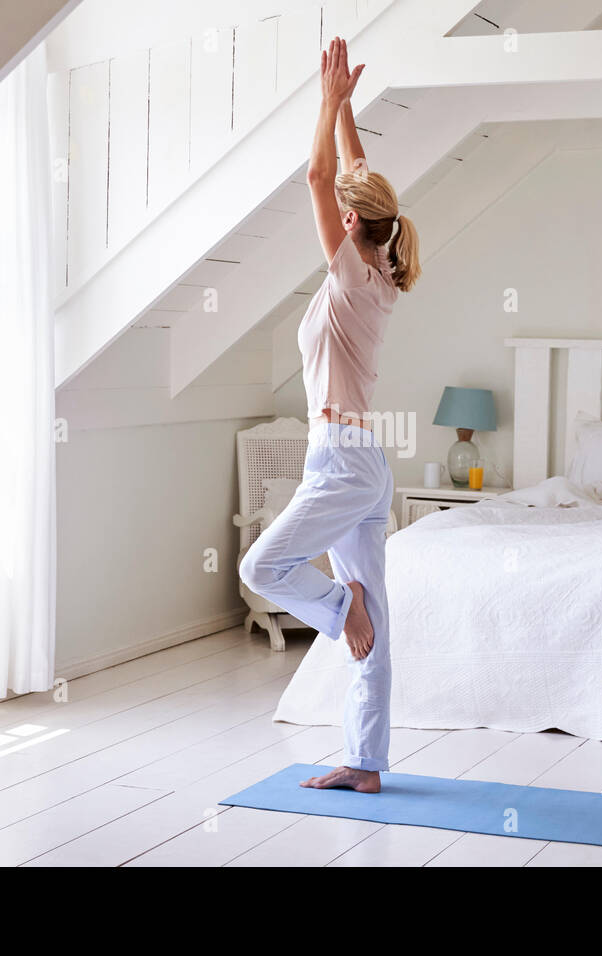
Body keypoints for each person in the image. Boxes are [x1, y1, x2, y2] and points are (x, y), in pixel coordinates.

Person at [238, 37, 421, 793]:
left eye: (345, 210)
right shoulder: (377, 267)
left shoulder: (350, 275)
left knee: (263, 567)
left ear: (351, 226)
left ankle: (337, 605)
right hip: (361, 464)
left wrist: (324, 105)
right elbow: (350, 178)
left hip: (342, 461)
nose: (337, 209)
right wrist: (346, 108)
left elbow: (321, 176)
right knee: (373, 621)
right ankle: (366, 764)